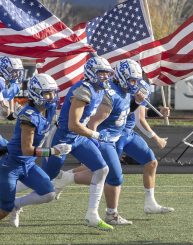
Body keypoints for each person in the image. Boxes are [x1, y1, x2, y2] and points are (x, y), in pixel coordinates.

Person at [54, 59, 174, 226]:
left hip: (122, 133)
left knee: (149, 161)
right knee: (112, 175)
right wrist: (94, 143)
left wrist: (144, 105)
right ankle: (109, 213)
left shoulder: (126, 91)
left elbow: (127, 112)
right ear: (123, 77)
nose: (135, 84)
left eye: (137, 80)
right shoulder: (111, 94)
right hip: (107, 138)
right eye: (132, 80)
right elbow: (93, 123)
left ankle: (146, 203)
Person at [41, 56, 115, 231]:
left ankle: (92, 215)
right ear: (91, 73)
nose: (105, 76)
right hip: (62, 137)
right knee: (44, 181)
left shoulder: (99, 90)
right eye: (101, 72)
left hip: (78, 138)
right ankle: (14, 203)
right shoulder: (83, 90)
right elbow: (73, 125)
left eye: (106, 73)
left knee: (102, 169)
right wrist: (96, 135)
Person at [0, 74, 72, 227]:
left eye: (53, 92)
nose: (51, 97)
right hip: (11, 165)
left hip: (29, 164)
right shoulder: (29, 116)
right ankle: (10, 207)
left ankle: (16, 205)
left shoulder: (49, 108)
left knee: (49, 192)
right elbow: (27, 150)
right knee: (3, 210)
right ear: (35, 93)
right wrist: (53, 151)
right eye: (47, 93)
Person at [0, 56, 24, 150]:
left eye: (18, 71)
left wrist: (14, 114)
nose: (16, 74)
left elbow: (7, 115)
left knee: (5, 148)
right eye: (14, 71)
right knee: (6, 148)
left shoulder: (14, 86)